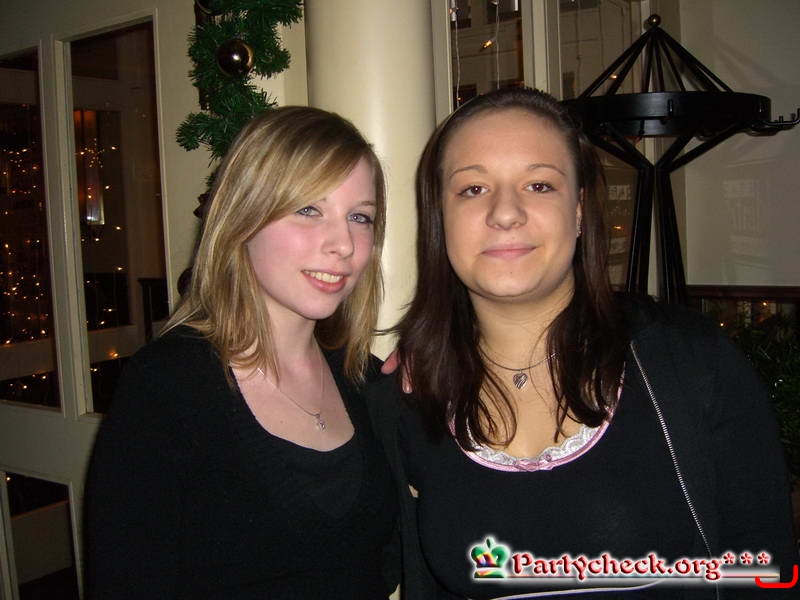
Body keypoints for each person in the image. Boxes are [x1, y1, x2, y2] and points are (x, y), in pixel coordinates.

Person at [369, 87, 797, 599]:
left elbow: (765, 571)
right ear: (440, 216)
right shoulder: (408, 398)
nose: (505, 213)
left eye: (539, 185)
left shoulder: (689, 362)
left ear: (578, 210)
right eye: (473, 188)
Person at [85, 106, 398, 599]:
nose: (343, 244)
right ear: (243, 217)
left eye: (360, 217)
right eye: (308, 209)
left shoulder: (365, 379)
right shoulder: (168, 387)